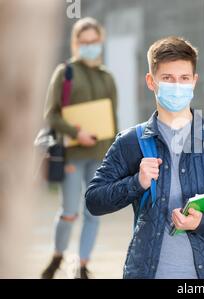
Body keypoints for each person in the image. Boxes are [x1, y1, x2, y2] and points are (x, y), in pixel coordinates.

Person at [85, 36, 204, 279]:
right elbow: (94, 201)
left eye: (184, 78)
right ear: (151, 81)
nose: (177, 86)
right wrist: (137, 183)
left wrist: (203, 223)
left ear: (194, 81)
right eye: (167, 78)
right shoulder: (131, 142)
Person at [41, 17, 118, 279]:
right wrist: (77, 133)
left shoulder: (107, 77)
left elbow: (112, 118)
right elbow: (51, 115)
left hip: (100, 156)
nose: (90, 46)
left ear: (101, 41)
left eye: (94, 41)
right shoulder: (65, 73)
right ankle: (57, 255)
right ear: (76, 43)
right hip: (73, 155)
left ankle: (82, 265)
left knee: (92, 213)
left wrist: (114, 157)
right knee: (69, 212)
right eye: (84, 42)